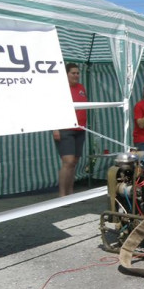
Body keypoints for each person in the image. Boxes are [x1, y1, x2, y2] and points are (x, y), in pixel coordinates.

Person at [53, 63, 87, 197]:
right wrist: (55, 129)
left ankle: (71, 193)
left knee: (74, 163)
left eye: (78, 73)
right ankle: (62, 195)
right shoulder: (61, 89)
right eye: (73, 73)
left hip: (80, 129)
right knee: (67, 161)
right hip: (65, 129)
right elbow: (54, 109)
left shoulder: (81, 88)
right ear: (66, 74)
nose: (76, 75)